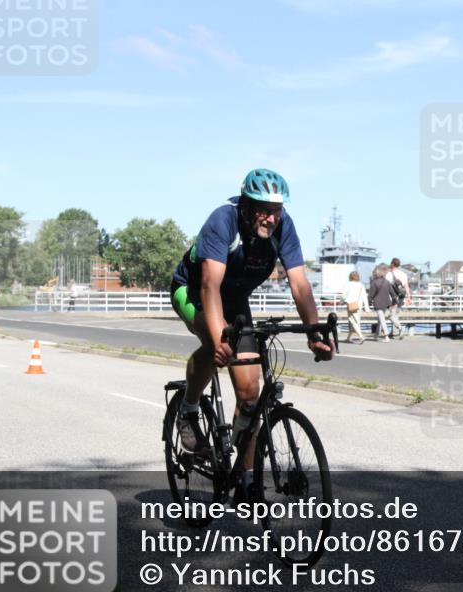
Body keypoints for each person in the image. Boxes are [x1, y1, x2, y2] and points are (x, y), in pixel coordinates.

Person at [169, 168, 333, 496]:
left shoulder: (284, 227)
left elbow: (299, 284)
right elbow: (209, 286)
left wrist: (314, 332)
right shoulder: (222, 221)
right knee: (217, 345)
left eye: (276, 210)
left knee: (249, 396)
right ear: (245, 204)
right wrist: (218, 340)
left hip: (236, 299)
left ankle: (244, 476)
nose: (271, 218)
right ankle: (188, 409)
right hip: (194, 292)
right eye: (263, 208)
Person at [368, 264, 396, 343]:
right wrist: (394, 301)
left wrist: (368, 303)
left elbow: (371, 295)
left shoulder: (374, 283)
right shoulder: (387, 282)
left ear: (376, 274)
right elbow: (392, 293)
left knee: (382, 319)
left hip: (378, 303)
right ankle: (376, 335)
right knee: (380, 319)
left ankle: (386, 336)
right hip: (386, 303)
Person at [384, 257, 410, 339]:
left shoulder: (389, 274)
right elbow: (406, 286)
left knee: (390, 315)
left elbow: (386, 287)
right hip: (401, 296)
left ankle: (399, 329)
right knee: (395, 314)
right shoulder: (403, 274)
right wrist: (409, 297)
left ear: (392, 264)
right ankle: (395, 331)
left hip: (392, 297)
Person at [343, 270, 368, 344]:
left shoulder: (348, 284)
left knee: (353, 321)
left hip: (350, 305)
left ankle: (361, 336)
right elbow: (364, 296)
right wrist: (366, 307)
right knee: (356, 321)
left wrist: (341, 301)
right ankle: (348, 338)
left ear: (350, 277)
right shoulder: (361, 285)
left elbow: (343, 295)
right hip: (359, 305)